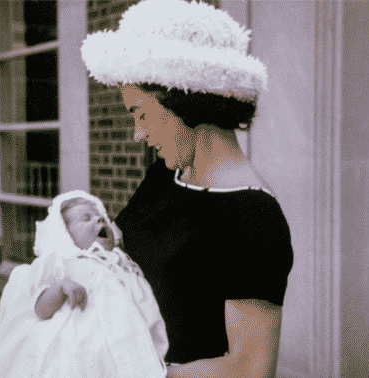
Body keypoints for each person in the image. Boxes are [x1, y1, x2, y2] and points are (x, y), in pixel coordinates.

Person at [81, 0, 295, 377]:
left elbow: (250, 367)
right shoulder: (165, 176)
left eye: (141, 112)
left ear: (183, 99)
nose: (139, 133)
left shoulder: (253, 217)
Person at [0, 190, 169, 378]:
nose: (99, 221)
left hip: (120, 345)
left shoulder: (120, 264)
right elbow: (41, 309)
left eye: (102, 218)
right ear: (65, 233)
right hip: (76, 351)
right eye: (86, 219)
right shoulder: (61, 262)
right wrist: (61, 287)